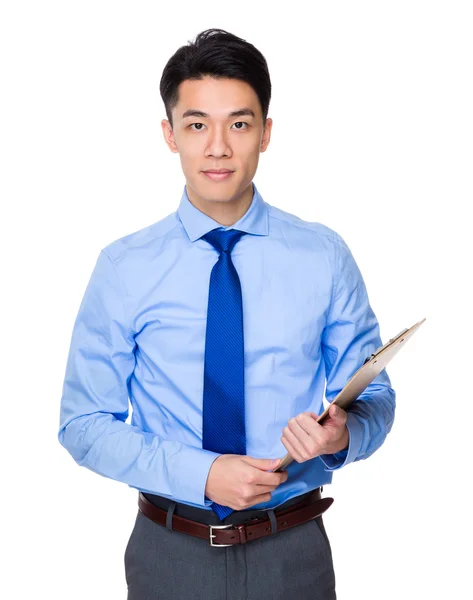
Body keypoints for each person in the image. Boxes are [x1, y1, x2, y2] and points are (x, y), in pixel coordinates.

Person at [57, 28, 396, 600]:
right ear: (170, 135)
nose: (217, 147)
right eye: (196, 125)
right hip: (170, 553)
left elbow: (376, 399)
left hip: (293, 553)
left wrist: (343, 436)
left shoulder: (323, 256)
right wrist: (203, 474)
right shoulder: (124, 267)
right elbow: (83, 426)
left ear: (266, 133)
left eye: (238, 124)